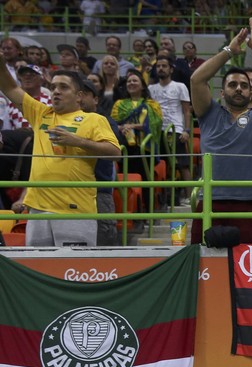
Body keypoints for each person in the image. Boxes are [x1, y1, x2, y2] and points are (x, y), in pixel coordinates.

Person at [0, 66, 120, 246]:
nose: (56, 91)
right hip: (37, 209)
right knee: (38, 267)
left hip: (74, 210)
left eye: (63, 87)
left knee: (73, 270)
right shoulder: (41, 114)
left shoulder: (94, 119)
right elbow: (10, 88)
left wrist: (78, 142)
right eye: (54, 87)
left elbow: (115, 153)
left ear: (79, 96)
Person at [189, 18, 252, 244]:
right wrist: (229, 51)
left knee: (244, 266)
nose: (239, 89)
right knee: (203, 262)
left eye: (244, 85)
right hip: (211, 199)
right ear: (221, 93)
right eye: (232, 85)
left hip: (249, 201)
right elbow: (196, 79)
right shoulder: (208, 113)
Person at [79, 77, 124, 246]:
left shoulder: (106, 122)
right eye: (77, 94)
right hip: (73, 189)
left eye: (85, 94)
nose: (80, 98)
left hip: (99, 188)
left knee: (104, 236)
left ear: (96, 99)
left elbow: (111, 149)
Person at [149, 55, 192, 205]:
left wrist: (187, 130)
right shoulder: (150, 89)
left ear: (171, 69)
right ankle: (162, 199)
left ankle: (188, 196)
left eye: (164, 66)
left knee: (182, 164)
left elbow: (187, 111)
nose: (160, 68)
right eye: (158, 66)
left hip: (176, 130)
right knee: (161, 165)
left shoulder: (180, 87)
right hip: (156, 132)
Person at [111, 69, 163, 185]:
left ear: (143, 86)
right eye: (129, 81)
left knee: (144, 180)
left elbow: (154, 124)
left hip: (145, 147)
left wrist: (132, 126)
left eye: (135, 81)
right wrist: (122, 128)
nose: (131, 83)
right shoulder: (119, 104)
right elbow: (113, 124)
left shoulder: (152, 105)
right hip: (124, 146)